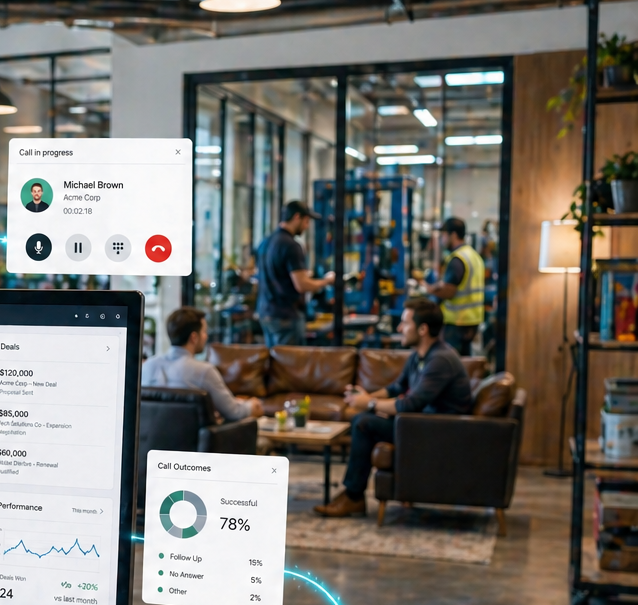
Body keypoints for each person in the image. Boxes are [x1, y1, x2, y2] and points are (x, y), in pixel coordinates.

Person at [314, 297, 473, 518]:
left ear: (423, 329)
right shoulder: (420, 356)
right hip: (420, 424)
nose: (399, 328)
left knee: (363, 423)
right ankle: (353, 494)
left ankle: (353, 497)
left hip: (438, 432)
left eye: (405, 323)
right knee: (365, 418)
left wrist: (368, 404)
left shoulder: (440, 361)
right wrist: (367, 397)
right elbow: (396, 388)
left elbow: (410, 404)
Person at [141, 307, 263, 422]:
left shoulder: (147, 367)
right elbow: (234, 412)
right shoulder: (204, 371)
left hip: (149, 441)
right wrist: (252, 405)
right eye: (204, 331)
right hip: (191, 443)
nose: (206, 336)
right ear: (194, 337)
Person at [255, 200, 334, 347]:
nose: (307, 226)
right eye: (306, 221)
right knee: (289, 366)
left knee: (274, 363)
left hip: (266, 313)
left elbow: (273, 274)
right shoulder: (291, 246)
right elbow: (302, 285)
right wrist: (327, 281)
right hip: (286, 316)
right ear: (297, 217)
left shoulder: (265, 243)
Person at [428, 217, 485, 356]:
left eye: (444, 235)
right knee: (464, 363)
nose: (442, 239)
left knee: (450, 363)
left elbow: (449, 292)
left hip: (457, 322)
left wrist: (430, 289)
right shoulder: (473, 255)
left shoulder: (457, 259)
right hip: (473, 320)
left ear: (453, 235)